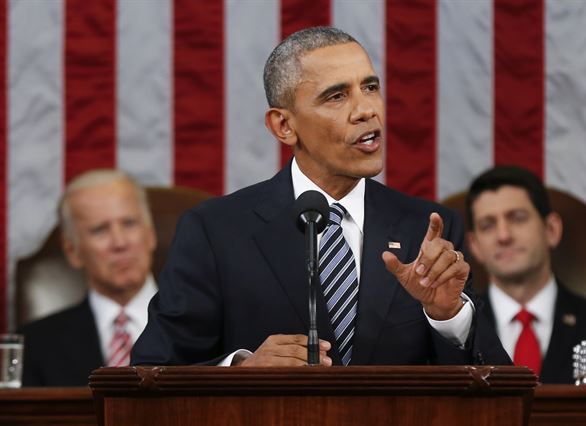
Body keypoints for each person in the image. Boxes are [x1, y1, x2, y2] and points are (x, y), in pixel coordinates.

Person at [131, 27, 510, 368]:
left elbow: (494, 391)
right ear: (284, 125)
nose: (366, 110)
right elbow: (149, 375)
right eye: (337, 96)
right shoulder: (215, 232)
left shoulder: (427, 230)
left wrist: (447, 316)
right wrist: (241, 372)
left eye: (371, 87)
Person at [466, 165, 586, 383]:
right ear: (474, 246)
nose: (503, 236)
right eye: (487, 225)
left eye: (517, 218)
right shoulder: (452, 336)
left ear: (551, 230)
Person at [19, 170, 158, 386]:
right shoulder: (34, 347)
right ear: (73, 251)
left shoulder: (208, 326)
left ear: (150, 234)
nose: (119, 242)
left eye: (129, 223)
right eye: (100, 230)